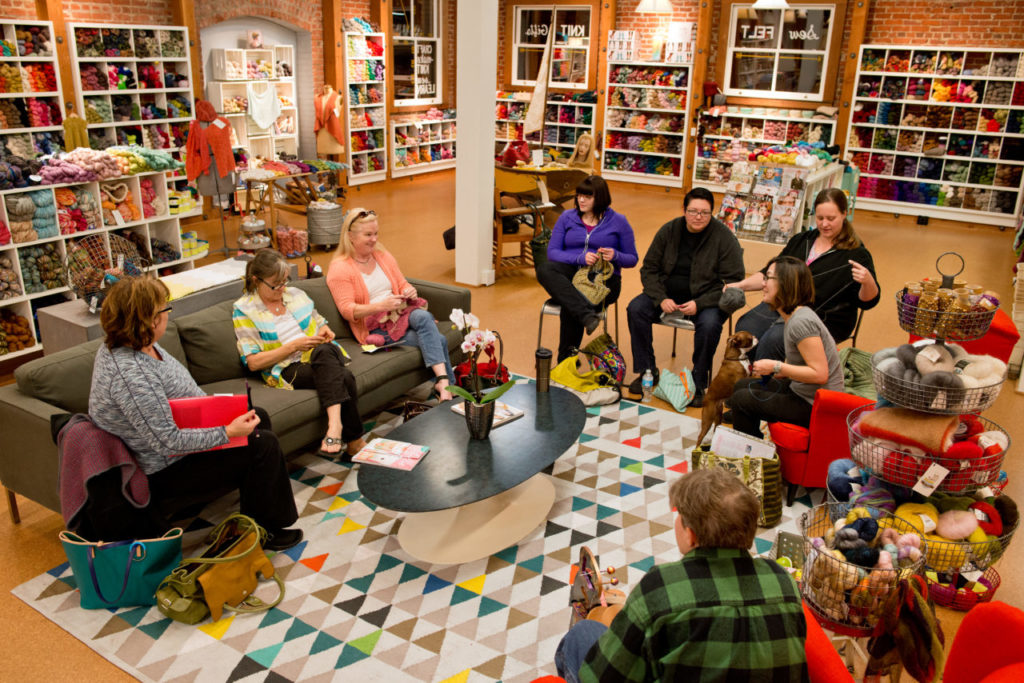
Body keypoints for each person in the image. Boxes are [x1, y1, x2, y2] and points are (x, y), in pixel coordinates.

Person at [88, 277, 302, 551]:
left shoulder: (140, 343)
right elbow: (167, 442)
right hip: (163, 468)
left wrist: (220, 415)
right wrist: (226, 432)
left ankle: (255, 513)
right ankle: (267, 530)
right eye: (164, 310)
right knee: (262, 444)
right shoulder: (131, 374)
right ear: (148, 320)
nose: (167, 314)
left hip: (178, 441)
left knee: (256, 416)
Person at [554, 467, 807, 682]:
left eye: (680, 515)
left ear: (691, 534)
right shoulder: (781, 578)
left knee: (580, 636)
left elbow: (603, 677)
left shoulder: (659, 586)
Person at [233, 249, 365, 459]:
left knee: (324, 351)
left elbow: (320, 322)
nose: (283, 288)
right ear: (257, 280)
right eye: (276, 284)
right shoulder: (244, 310)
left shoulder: (295, 295)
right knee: (344, 377)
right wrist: (293, 346)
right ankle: (354, 441)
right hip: (287, 367)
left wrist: (324, 330)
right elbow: (253, 363)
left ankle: (335, 427)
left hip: (321, 354)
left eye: (285, 281)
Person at [728, 187, 880, 362]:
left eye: (831, 218)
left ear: (844, 214)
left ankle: (762, 385)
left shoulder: (857, 254)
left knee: (774, 340)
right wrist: (740, 286)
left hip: (823, 318)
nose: (824, 224)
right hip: (783, 304)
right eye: (820, 218)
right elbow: (768, 274)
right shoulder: (801, 240)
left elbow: (868, 302)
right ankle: (749, 377)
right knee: (747, 327)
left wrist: (868, 282)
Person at [625, 187, 744, 407]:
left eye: (705, 213)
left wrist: (700, 303)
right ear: (684, 210)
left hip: (707, 298)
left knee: (709, 325)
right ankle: (647, 371)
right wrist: (660, 297)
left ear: (712, 212)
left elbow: (735, 282)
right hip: (667, 293)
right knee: (636, 309)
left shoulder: (724, 237)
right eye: (693, 211)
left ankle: (698, 382)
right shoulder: (669, 230)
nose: (698, 217)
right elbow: (648, 269)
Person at [326, 207, 455, 400]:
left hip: (400, 314)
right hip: (374, 328)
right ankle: (448, 386)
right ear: (350, 237)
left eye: (376, 233)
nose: (374, 239)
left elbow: (401, 283)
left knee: (422, 315)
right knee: (439, 340)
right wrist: (380, 307)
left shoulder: (382, 256)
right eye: (368, 234)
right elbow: (347, 310)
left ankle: (443, 384)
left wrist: (408, 290)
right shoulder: (340, 269)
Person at [729, 255, 845, 439]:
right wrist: (781, 372)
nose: (763, 284)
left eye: (768, 278)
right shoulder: (794, 316)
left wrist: (777, 367)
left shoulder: (801, 322)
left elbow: (820, 374)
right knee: (742, 386)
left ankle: (754, 457)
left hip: (816, 404)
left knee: (742, 400)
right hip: (804, 391)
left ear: (785, 284)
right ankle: (752, 446)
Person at [537, 175, 638, 362]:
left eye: (587, 197)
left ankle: (565, 364)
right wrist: (579, 257)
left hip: (604, 279)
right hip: (573, 272)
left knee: (571, 303)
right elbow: (553, 252)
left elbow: (632, 259)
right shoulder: (567, 217)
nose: (580, 200)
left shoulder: (618, 221)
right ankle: (586, 316)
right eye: (579, 195)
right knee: (545, 269)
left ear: (600, 198)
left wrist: (615, 255)